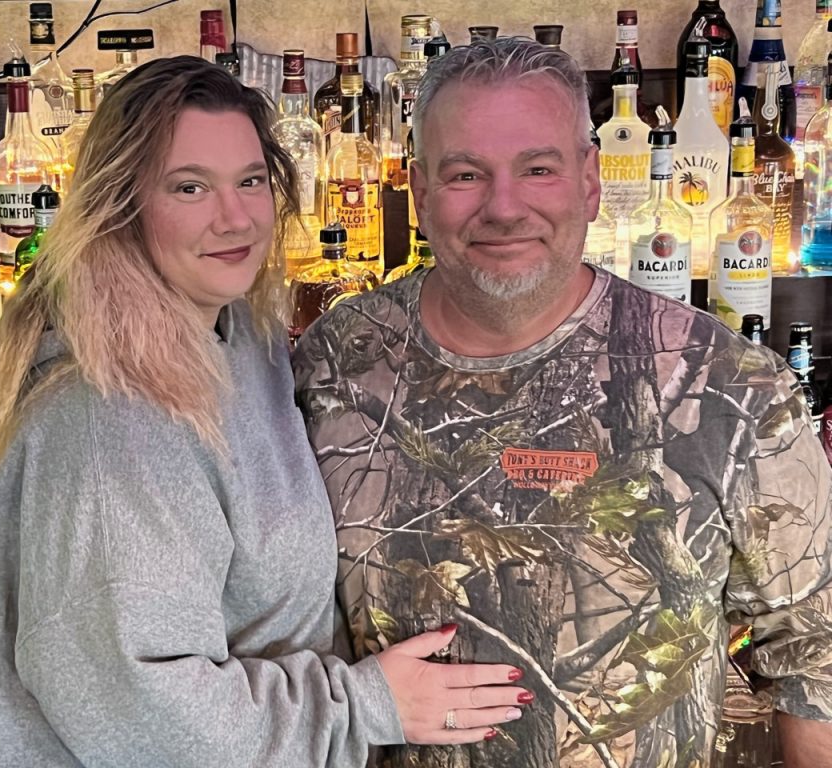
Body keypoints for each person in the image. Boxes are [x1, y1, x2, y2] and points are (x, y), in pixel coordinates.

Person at [0, 56, 533, 768]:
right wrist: (365, 707)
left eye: (250, 181)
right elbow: (148, 718)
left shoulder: (241, 338)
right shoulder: (104, 419)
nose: (234, 217)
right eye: (189, 187)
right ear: (121, 205)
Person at [293, 37, 832, 768]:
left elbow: (816, 664)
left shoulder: (732, 384)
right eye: (465, 174)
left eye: (537, 169)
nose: (503, 206)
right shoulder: (330, 365)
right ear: (418, 193)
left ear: (589, 182)